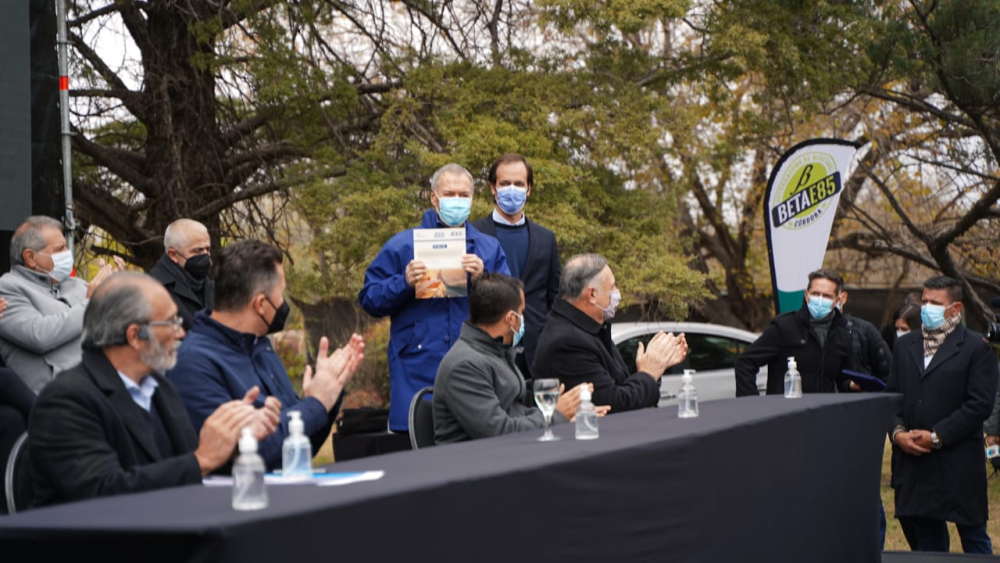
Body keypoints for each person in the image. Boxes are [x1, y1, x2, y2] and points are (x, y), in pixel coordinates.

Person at [29, 273, 279, 507]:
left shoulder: (159, 387)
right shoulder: (67, 400)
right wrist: (202, 459)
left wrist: (232, 440)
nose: (181, 332)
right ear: (135, 335)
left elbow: (187, 470)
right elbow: (104, 494)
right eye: (171, 322)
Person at [169, 240, 364, 470]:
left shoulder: (260, 348)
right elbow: (250, 453)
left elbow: (295, 448)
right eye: (280, 294)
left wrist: (330, 390)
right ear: (261, 304)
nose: (282, 304)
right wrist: (316, 403)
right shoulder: (192, 363)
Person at [359, 163, 509, 431]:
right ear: (433, 197)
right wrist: (403, 282)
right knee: (419, 459)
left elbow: (511, 308)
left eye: (464, 195)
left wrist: (482, 279)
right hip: (415, 373)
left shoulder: (488, 248)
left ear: (473, 200)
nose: (457, 201)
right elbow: (369, 299)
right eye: (450, 194)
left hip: (476, 372)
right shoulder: (403, 245)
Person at [887, 276, 998, 554]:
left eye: (935, 303)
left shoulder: (976, 348)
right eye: (924, 301)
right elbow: (891, 398)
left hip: (957, 463)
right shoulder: (904, 346)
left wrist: (937, 436)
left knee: (974, 541)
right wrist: (898, 433)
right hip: (915, 464)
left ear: (955, 308)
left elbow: (979, 405)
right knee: (927, 547)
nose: (926, 308)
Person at [433, 273, 605, 444]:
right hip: (474, 464)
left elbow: (516, 413)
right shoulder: (465, 365)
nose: (523, 320)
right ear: (511, 319)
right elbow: (499, 432)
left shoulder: (495, 351)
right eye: (522, 313)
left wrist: (563, 412)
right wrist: (555, 415)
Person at [532, 254, 687, 413]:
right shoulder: (567, 341)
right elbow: (613, 405)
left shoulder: (588, 328)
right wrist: (648, 373)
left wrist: (651, 364)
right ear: (591, 294)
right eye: (612, 287)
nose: (617, 294)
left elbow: (617, 384)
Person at [0, 216, 119, 392]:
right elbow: (38, 335)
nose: (68, 253)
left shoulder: (76, 284)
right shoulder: (8, 287)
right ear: (30, 257)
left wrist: (118, 293)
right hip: (59, 397)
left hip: (103, 381)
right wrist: (92, 304)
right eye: (60, 249)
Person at [471, 154, 561, 379]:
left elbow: (555, 298)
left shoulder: (546, 238)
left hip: (537, 356)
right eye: (505, 183)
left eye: (519, 184)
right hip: (488, 353)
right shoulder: (473, 235)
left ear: (528, 189)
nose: (512, 189)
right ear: (493, 187)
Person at [735, 269, 852, 396]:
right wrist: (752, 405)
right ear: (807, 295)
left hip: (822, 412)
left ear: (836, 301)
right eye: (815, 293)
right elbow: (745, 363)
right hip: (786, 412)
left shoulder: (843, 334)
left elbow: (843, 380)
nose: (819, 299)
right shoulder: (784, 326)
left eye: (826, 296)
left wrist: (853, 386)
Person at [149, 219, 214, 331]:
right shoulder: (153, 289)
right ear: (173, 255)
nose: (205, 256)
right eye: (198, 250)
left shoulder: (211, 284)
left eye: (207, 249)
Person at [837, 290, 892, 382]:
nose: (821, 300)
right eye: (816, 294)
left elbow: (887, 372)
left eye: (828, 295)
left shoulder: (864, 330)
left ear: (843, 298)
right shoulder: (806, 331)